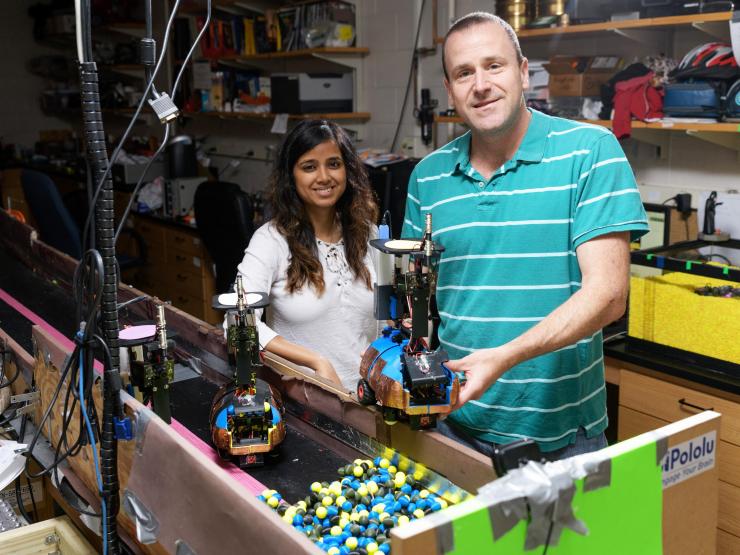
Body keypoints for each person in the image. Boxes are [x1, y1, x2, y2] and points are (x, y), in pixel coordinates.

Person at [402, 12, 649, 461]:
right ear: (449, 88)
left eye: (493, 66)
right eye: (464, 73)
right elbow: (418, 297)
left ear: (522, 71)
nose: (480, 84)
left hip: (563, 440)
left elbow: (610, 295)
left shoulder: (590, 151)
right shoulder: (427, 177)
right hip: (454, 429)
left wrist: (504, 357)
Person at [237, 120, 379, 390]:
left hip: (365, 401)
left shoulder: (367, 234)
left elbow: (384, 322)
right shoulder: (271, 240)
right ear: (291, 175)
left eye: (334, 164)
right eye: (309, 167)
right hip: (306, 402)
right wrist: (317, 362)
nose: (324, 177)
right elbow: (237, 322)